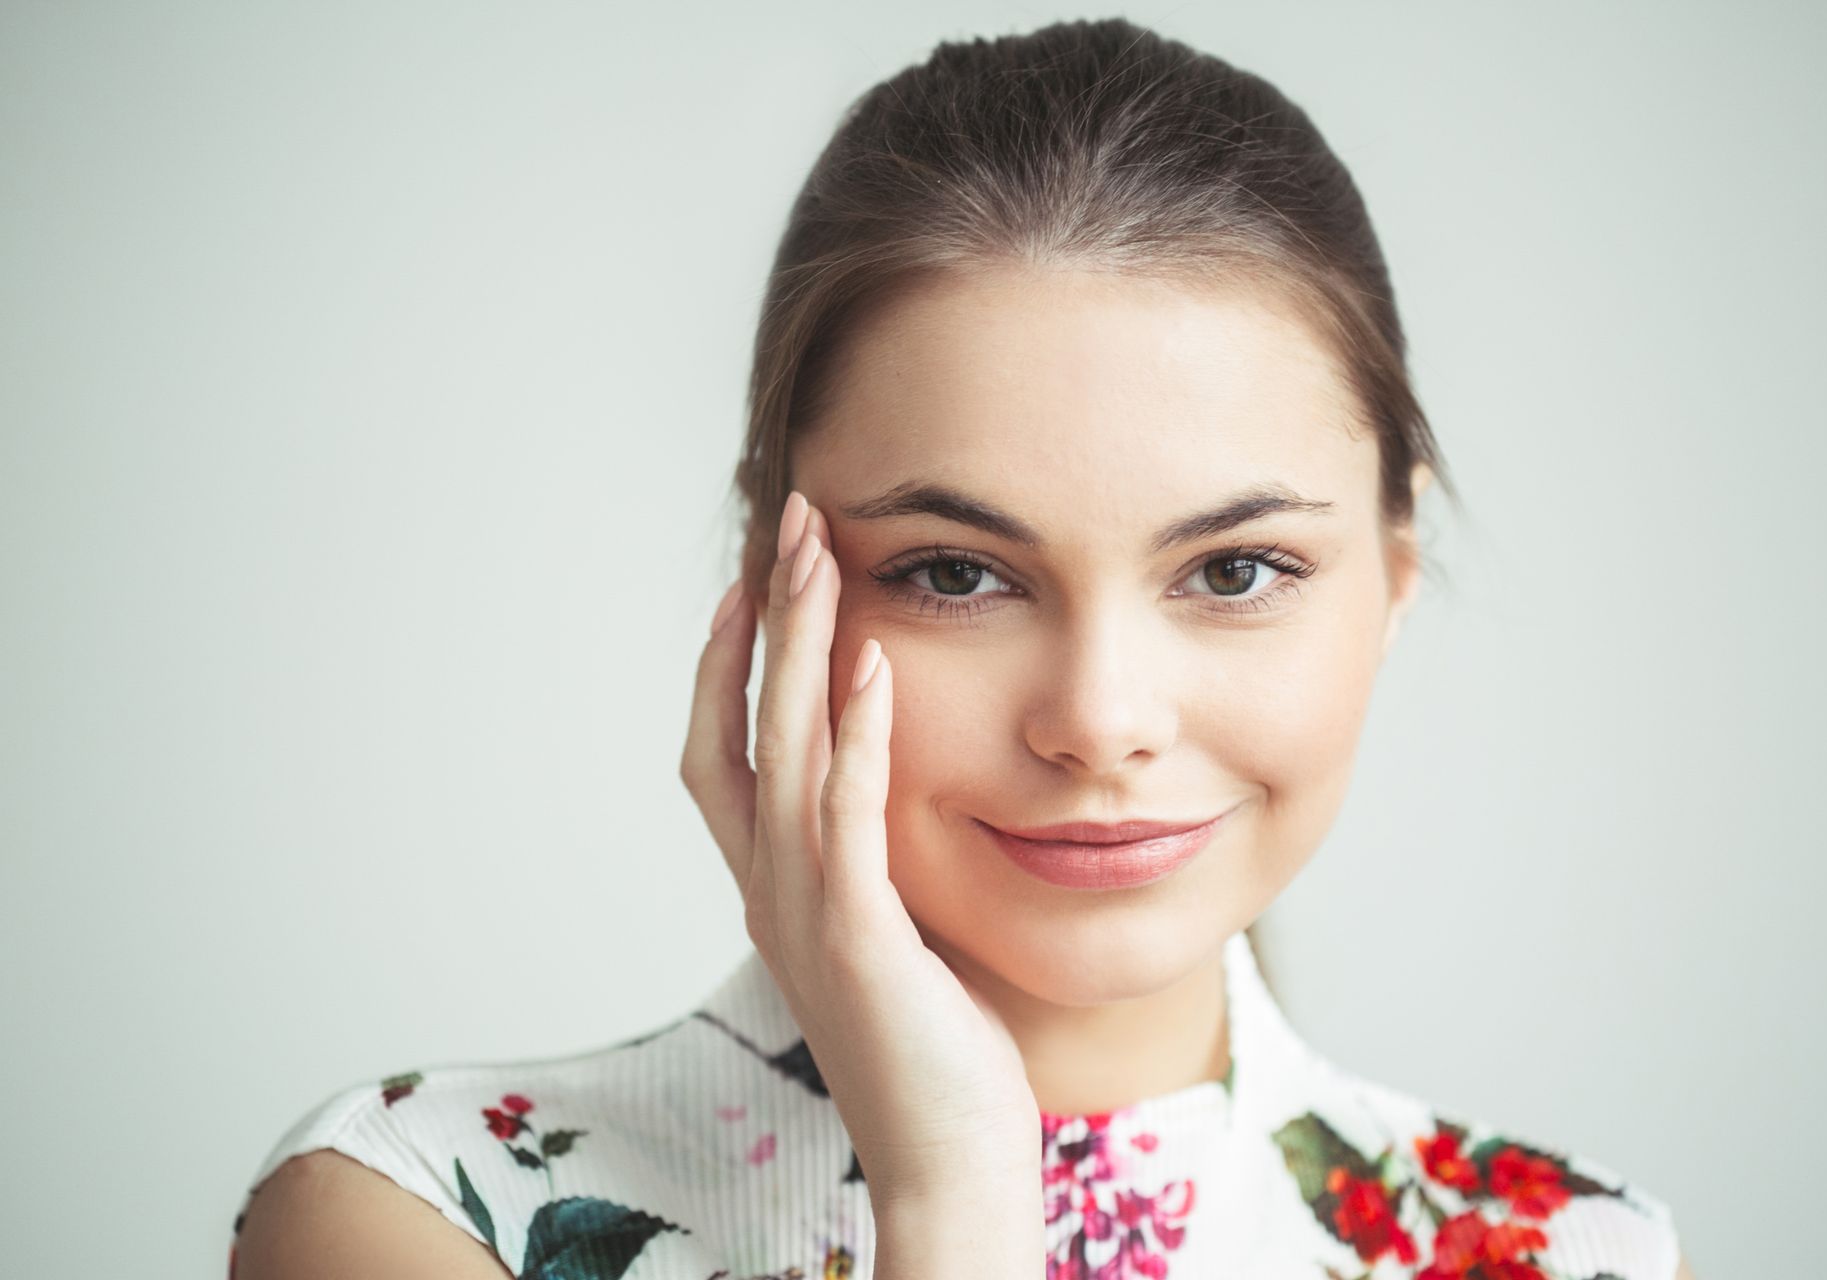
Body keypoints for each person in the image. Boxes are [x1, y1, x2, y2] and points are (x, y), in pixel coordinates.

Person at [229, 18, 1697, 1280]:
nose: (1101, 718)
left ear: (1391, 570)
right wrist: (951, 1193)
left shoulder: (1567, 1252)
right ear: (774, 572)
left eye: (1236, 569)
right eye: (956, 572)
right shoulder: (430, 1213)